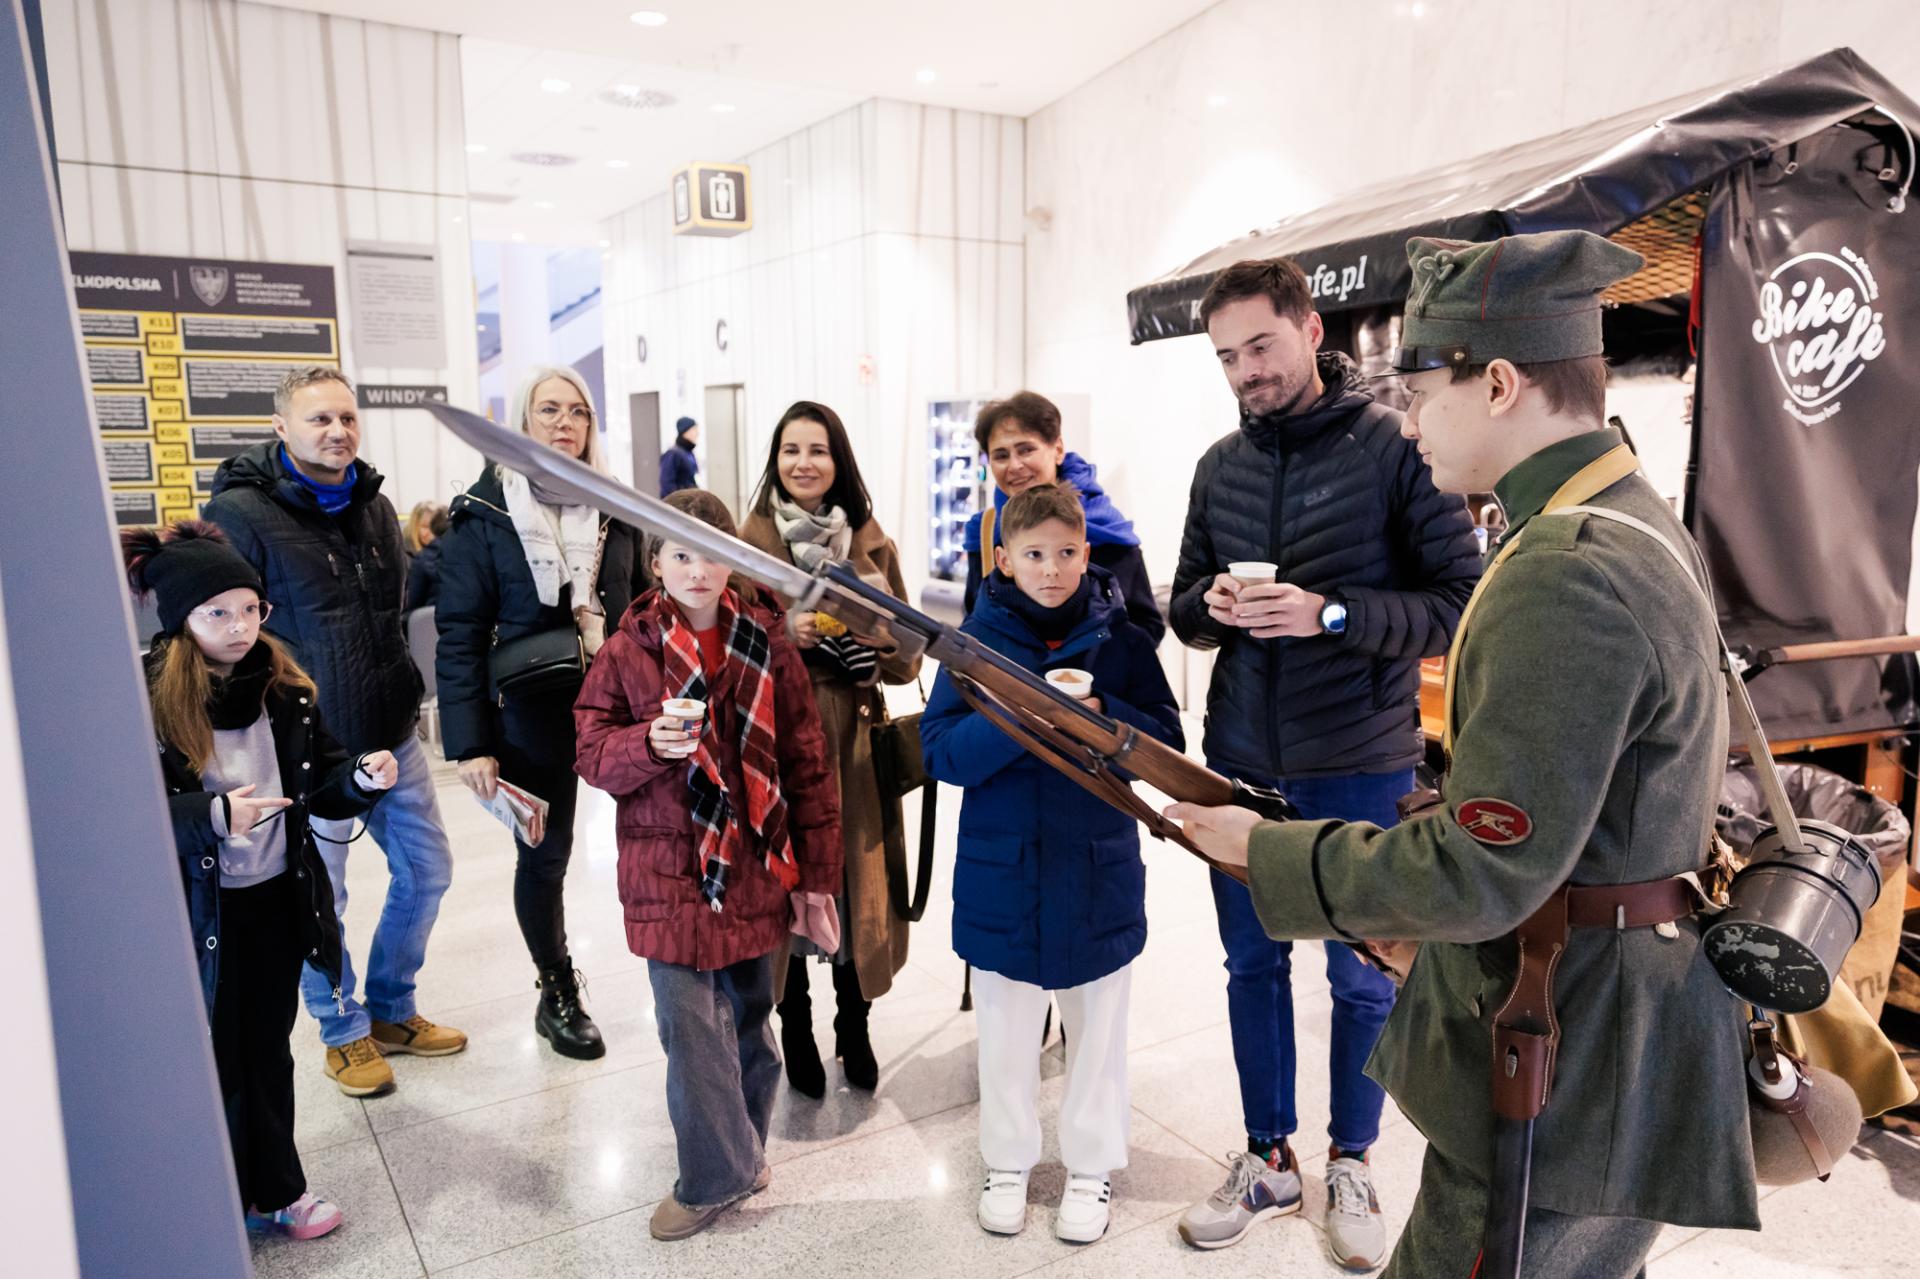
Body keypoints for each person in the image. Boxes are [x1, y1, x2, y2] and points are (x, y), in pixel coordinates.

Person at [1167, 230, 1756, 1278]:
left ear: (1497, 384)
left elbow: (1486, 870)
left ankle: (1346, 1158)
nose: (1410, 419)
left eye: (1423, 392)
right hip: (1610, 1021)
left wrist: (1266, 849)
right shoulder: (1627, 519)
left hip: (1569, 1047)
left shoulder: (1565, 568)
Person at [1167, 258, 1481, 1266]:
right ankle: (1268, 1157)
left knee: (1364, 971)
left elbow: (1458, 601)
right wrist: (1212, 607)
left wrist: (1330, 614)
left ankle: (1353, 1158)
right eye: (1227, 357)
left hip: (1359, 760)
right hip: (1241, 760)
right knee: (1251, 964)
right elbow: (1182, 604)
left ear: (1311, 329)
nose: (1245, 371)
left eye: (1260, 345)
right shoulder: (1218, 465)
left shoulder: (1393, 448)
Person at [573, 488, 843, 1241]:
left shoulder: (767, 641)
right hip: (667, 872)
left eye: (713, 553)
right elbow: (590, 751)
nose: (698, 569)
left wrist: (817, 876)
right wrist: (645, 744)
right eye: (681, 553)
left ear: (735, 560)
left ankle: (745, 1152)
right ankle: (712, 1179)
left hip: (754, 863)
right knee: (691, 1032)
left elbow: (806, 760)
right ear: (656, 562)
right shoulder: (628, 649)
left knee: (751, 1020)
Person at [922, 483, 1184, 1244]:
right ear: (1004, 559)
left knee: (1097, 1032)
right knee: (1005, 1032)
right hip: (1001, 871)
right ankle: (1007, 1164)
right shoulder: (972, 647)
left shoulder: (1122, 641)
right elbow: (941, 753)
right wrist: (1021, 720)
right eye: (1034, 554)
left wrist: (1105, 721)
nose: (1052, 568)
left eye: (1067, 552)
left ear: (1086, 552)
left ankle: (1092, 1167)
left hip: (1097, 867)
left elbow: (1166, 741)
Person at [126, 519, 399, 1242]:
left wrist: (361, 778)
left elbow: (325, 782)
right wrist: (214, 816)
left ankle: (278, 1191)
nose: (241, 626)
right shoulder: (145, 699)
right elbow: (127, 813)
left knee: (269, 1052)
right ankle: (211, 1196)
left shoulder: (284, 689)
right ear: (180, 619)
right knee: (213, 1058)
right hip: (199, 912)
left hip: (277, 898)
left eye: (251, 608)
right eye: (218, 612)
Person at [205, 365, 466, 1099]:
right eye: (319, 418)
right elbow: (228, 634)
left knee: (428, 870)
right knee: (323, 900)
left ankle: (391, 1007)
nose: (337, 431)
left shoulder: (374, 505)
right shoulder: (241, 513)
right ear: (281, 426)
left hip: (391, 732)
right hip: (308, 748)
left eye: (347, 417)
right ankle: (343, 1029)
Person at [435, 365, 648, 1059]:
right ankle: (556, 991)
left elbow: (642, 608)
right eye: (549, 409)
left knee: (658, 832)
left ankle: (681, 965)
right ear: (524, 421)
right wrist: (470, 742)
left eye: (578, 411)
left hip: (616, 703)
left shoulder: (615, 507)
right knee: (546, 855)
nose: (565, 422)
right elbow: (460, 634)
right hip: (531, 709)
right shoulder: (484, 513)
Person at [739, 401, 922, 1097]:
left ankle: (854, 1022)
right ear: (775, 460)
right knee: (787, 885)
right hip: (776, 745)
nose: (804, 463)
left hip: (856, 745)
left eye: (818, 450)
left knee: (854, 886)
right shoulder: (748, 546)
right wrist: (783, 634)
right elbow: (723, 644)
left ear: (839, 461)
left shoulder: (871, 544)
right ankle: (795, 1024)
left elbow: (910, 659)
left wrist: (875, 641)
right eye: (791, 450)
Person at [962, 392, 1164, 645]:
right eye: (1001, 456)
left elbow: (1146, 627)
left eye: (1026, 450)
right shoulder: (986, 530)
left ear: (1057, 450)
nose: (1014, 466)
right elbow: (974, 619)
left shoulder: (1101, 527)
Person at [404, 502, 449, 615]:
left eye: (434, 527)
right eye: (424, 527)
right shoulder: (404, 556)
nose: (430, 533)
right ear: (414, 527)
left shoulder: (422, 559)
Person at [660, 416, 700, 496]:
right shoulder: (673, 454)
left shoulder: (689, 453)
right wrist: (681, 499)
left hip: (690, 500)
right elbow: (666, 484)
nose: (697, 433)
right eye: (694, 429)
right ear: (685, 431)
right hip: (680, 502)